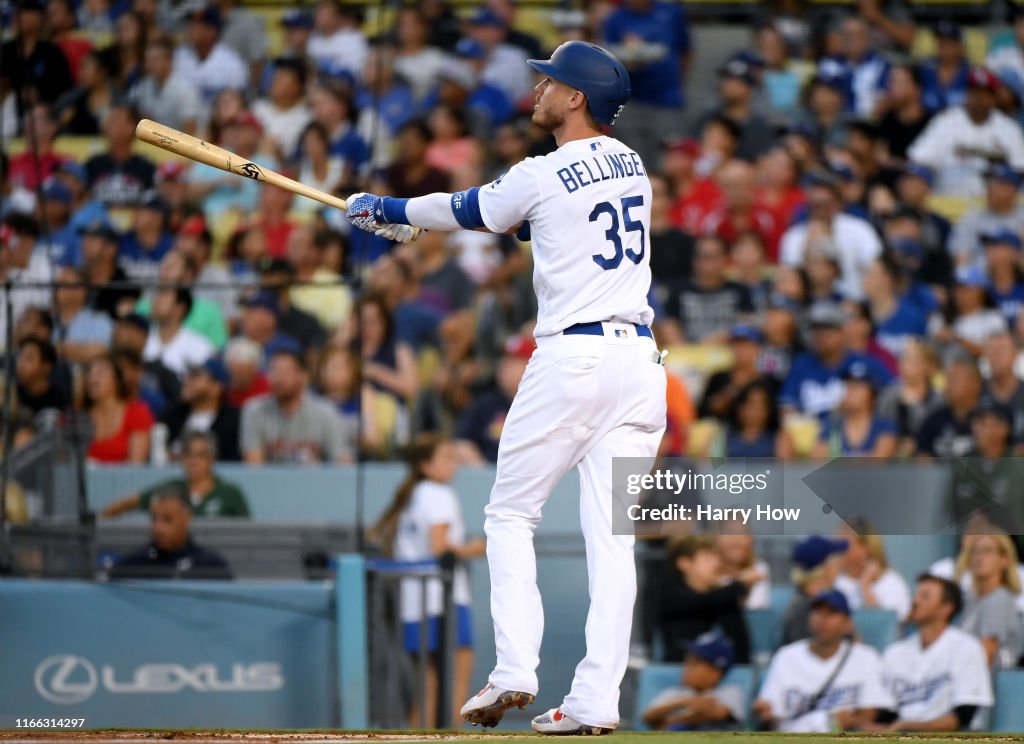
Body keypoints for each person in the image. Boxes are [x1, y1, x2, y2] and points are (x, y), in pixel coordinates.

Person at [344, 41, 666, 735]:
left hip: (573, 358)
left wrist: (384, 207)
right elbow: (551, 219)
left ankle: (516, 667)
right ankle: (594, 702)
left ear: (577, 97)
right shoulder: (634, 164)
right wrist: (524, 227)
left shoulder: (540, 172)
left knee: (510, 515)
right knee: (614, 542)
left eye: (551, 81)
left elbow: (464, 209)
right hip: (640, 366)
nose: (540, 89)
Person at [371, 434, 485, 728]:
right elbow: (440, 547)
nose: (453, 465)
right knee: (458, 680)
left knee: (427, 690)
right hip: (443, 600)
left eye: (453, 457)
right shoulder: (438, 494)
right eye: (445, 458)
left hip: (412, 604)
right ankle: (455, 737)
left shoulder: (411, 496)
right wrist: (478, 547)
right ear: (424, 465)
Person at [755, 590, 892, 732]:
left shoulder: (866, 657)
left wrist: (844, 723)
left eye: (832, 613)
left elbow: (869, 713)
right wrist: (764, 711)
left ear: (848, 623)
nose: (823, 619)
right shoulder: (786, 656)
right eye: (817, 612)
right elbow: (771, 713)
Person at [875, 575, 993, 731]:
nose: (915, 601)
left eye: (925, 597)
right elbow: (886, 713)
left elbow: (963, 716)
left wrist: (911, 727)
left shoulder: (967, 648)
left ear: (945, 609)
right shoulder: (895, 652)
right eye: (916, 595)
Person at [908, 67, 1024, 198]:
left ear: (994, 98)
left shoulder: (1008, 128)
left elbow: (1020, 168)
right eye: (974, 92)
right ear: (967, 94)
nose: (979, 98)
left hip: (992, 207)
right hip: (947, 199)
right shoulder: (946, 121)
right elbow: (920, 160)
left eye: (985, 93)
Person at [240, 346, 355, 464]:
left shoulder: (326, 412)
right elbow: (253, 468)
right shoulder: (254, 411)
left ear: (302, 377)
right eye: (273, 370)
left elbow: (343, 464)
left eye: (286, 372)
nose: (278, 378)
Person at [103, 430, 249, 518]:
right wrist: (100, 520)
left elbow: (247, 532)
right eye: (188, 455)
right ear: (181, 459)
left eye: (200, 455)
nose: (193, 461)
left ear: (211, 459)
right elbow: (131, 502)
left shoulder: (230, 493)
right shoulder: (171, 489)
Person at [657, 534, 754, 665]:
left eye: (717, 558)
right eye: (708, 558)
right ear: (684, 563)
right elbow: (699, 601)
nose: (716, 564)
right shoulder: (671, 594)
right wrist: (739, 585)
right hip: (679, 671)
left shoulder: (724, 598)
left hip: (725, 675)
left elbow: (741, 650)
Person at [110, 486, 233, 579]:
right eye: (154, 519)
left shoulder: (210, 565)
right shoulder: (134, 565)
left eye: (167, 519)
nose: (157, 528)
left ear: (186, 519)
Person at [642, 631, 745, 731]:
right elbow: (648, 717)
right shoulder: (675, 693)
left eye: (694, 664)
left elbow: (717, 714)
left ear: (714, 673)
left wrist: (667, 722)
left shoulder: (730, 692)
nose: (686, 668)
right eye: (687, 662)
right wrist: (684, 702)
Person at [956, 530, 1024, 668]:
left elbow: (986, 654)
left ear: (1004, 560)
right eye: (975, 551)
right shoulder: (969, 600)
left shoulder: (999, 598)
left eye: (988, 551)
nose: (979, 557)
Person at [160, 357, 241, 462]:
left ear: (216, 387)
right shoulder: (172, 415)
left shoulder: (233, 422)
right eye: (188, 375)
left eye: (195, 376)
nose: (187, 381)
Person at [813, 359, 897, 458]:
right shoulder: (832, 426)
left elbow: (880, 459)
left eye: (858, 386)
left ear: (872, 394)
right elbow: (817, 460)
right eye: (848, 385)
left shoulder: (884, 427)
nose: (851, 391)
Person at [84, 353, 154, 464]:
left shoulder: (137, 413)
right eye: (89, 372)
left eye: (100, 372)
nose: (92, 378)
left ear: (117, 380)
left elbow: (136, 465)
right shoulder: (78, 417)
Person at [834, 521, 911, 620]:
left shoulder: (891, 582)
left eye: (844, 543)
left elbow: (884, 626)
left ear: (865, 548)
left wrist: (865, 586)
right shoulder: (840, 581)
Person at [783, 535, 847, 645]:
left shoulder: (803, 601)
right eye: (836, 560)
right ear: (825, 566)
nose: (840, 566)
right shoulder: (802, 611)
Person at [916, 355, 983, 458]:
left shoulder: (989, 420)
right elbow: (923, 460)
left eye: (955, 379)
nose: (949, 384)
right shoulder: (933, 421)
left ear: (976, 384)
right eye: (948, 379)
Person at [143, 287, 215, 378]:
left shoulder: (200, 347)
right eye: (157, 295)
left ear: (181, 307)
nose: (155, 300)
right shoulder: (140, 339)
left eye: (163, 295)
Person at [716, 521, 771, 610]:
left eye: (742, 533)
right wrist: (742, 583)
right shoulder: (707, 574)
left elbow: (755, 607)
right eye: (729, 533)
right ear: (716, 539)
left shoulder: (759, 569)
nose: (736, 540)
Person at [15, 338, 68, 416]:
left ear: (46, 366)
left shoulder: (59, 400)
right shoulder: (12, 394)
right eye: (20, 358)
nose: (21, 365)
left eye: (29, 358)